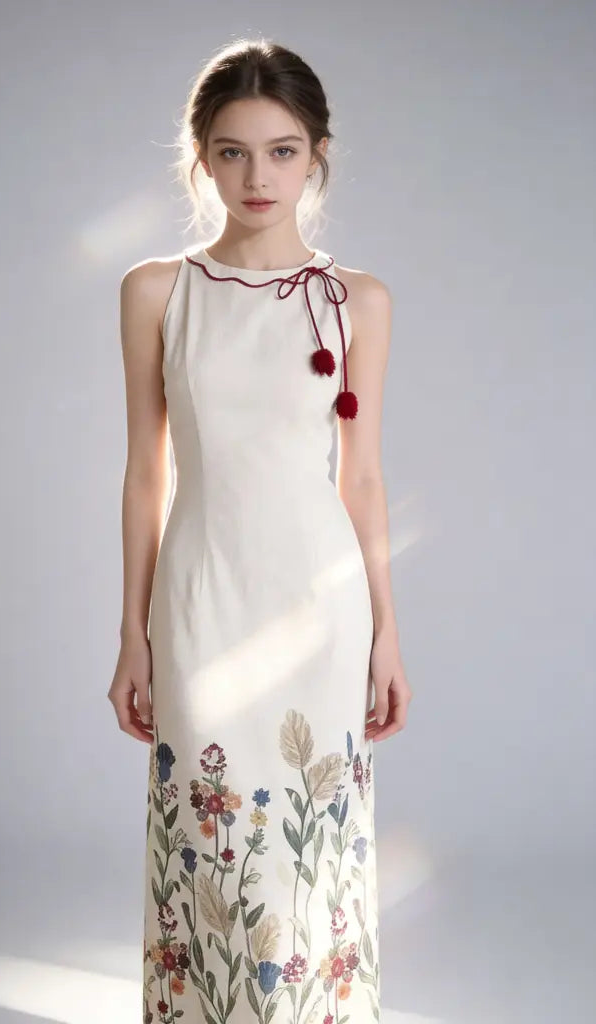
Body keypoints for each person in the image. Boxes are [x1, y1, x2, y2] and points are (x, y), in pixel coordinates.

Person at [108, 37, 411, 1024]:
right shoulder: (157, 293)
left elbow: (360, 479)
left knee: (305, 863)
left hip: (320, 613)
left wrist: (387, 636)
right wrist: (131, 634)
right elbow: (145, 472)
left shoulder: (353, 302)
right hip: (198, 603)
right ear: (199, 156)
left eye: (281, 150)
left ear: (316, 154)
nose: (256, 174)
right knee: (211, 856)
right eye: (232, 151)